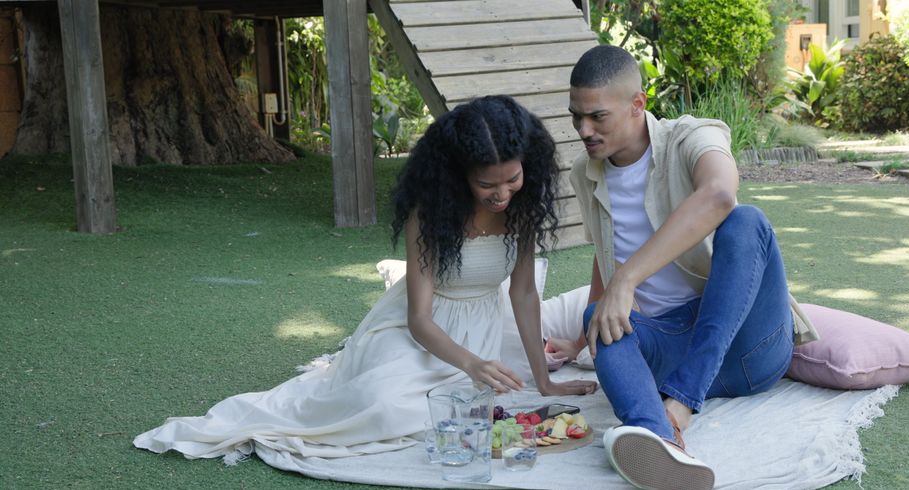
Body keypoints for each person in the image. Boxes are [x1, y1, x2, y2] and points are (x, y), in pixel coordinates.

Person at [134, 95, 597, 467]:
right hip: (420, 333)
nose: (501, 194)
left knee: (457, 414)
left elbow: (522, 292)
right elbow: (418, 318)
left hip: (478, 331)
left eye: (512, 180)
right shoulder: (431, 211)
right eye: (486, 186)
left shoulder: (522, 210)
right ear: (460, 176)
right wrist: (473, 365)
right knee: (383, 407)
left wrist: (545, 381)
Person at [561, 46, 818, 490]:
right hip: (666, 351)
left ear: (638, 104)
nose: (584, 130)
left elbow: (720, 194)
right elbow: (606, 254)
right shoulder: (586, 171)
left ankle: (679, 407)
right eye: (576, 117)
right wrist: (583, 337)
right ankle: (659, 440)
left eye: (597, 116)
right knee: (599, 318)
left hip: (743, 346)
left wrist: (628, 279)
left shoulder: (691, 136)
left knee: (747, 221)